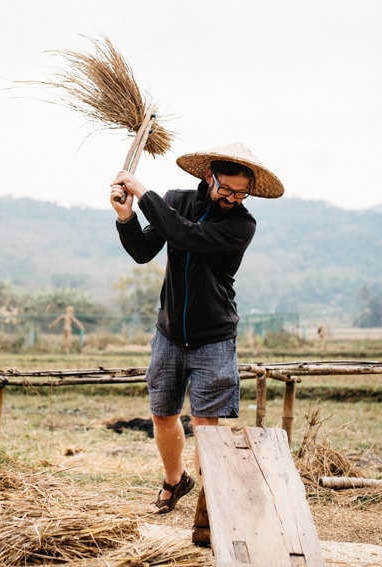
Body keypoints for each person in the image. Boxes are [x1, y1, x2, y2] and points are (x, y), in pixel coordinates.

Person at [109, 142, 284, 514]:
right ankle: (174, 481)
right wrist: (127, 218)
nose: (234, 199)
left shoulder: (241, 224)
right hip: (169, 332)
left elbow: (185, 235)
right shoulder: (176, 201)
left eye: (242, 193)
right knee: (163, 413)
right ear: (209, 177)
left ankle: (216, 498)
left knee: (206, 421)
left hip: (214, 337)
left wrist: (142, 192)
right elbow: (143, 251)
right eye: (227, 190)